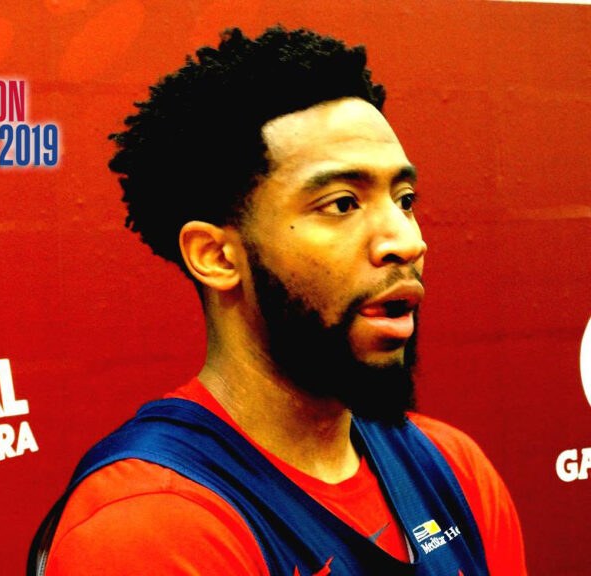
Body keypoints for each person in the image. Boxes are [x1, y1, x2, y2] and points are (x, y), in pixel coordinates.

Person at [30, 26, 526, 575]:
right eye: (342, 204)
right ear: (217, 257)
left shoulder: (451, 467)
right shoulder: (148, 524)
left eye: (404, 199)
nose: (407, 242)